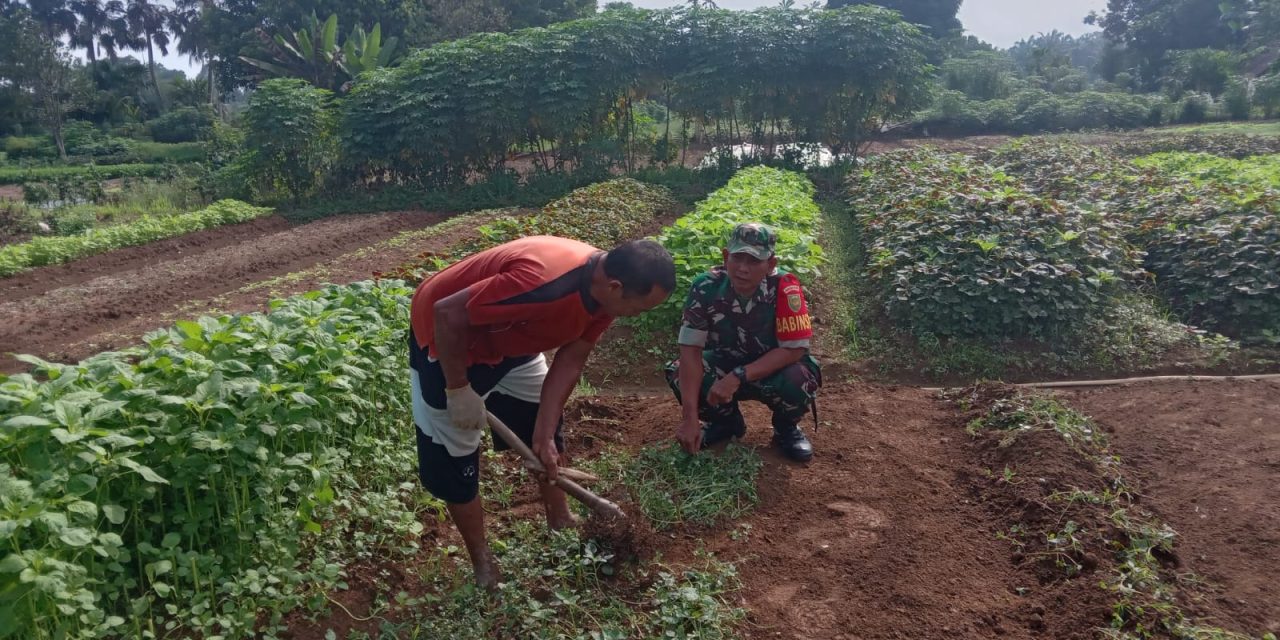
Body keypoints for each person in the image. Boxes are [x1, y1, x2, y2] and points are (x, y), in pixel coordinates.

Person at [409, 235, 675, 588]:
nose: (637, 316)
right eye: (640, 308)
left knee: (543, 419)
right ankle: (483, 562)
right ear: (615, 287)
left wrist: (544, 433)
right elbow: (447, 312)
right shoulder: (544, 283)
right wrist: (457, 389)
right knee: (455, 450)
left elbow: (571, 359)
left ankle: (560, 518)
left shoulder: (604, 296)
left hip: (512, 337)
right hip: (449, 340)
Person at [667, 223, 821, 462]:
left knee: (799, 378)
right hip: (725, 363)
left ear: (770, 264)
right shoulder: (706, 287)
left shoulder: (785, 287)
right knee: (679, 370)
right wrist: (689, 418)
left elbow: (794, 350)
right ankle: (725, 423)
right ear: (726, 257)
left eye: (754, 261)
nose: (743, 269)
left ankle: (786, 428)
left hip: (772, 370)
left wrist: (738, 376)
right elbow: (690, 350)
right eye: (737, 258)